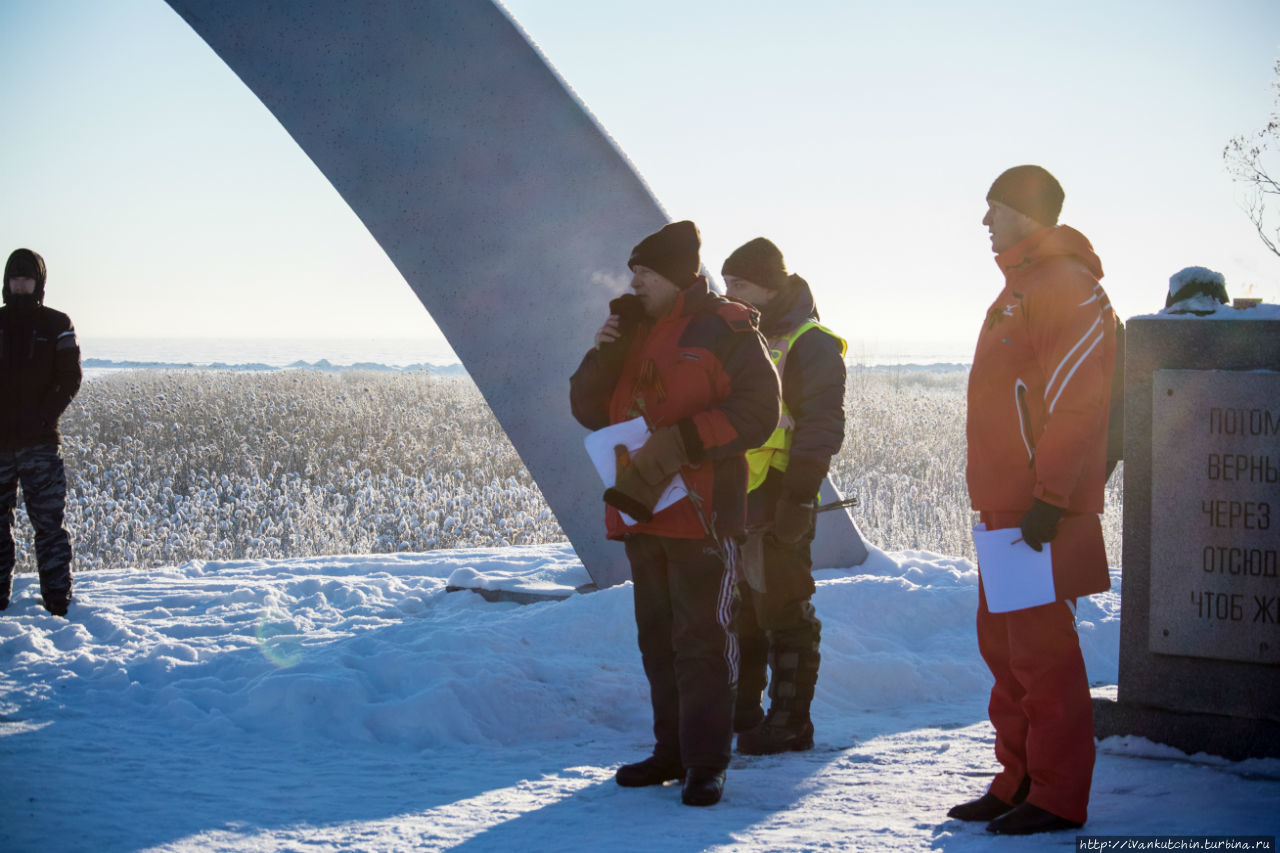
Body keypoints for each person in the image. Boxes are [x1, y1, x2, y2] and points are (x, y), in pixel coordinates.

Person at [570, 220, 779, 807]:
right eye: (632, 271)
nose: (634, 282)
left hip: (702, 514)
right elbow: (587, 410)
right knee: (657, 640)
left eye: (645, 273)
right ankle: (671, 752)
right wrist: (603, 352)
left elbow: (760, 410)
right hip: (643, 513)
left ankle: (707, 763)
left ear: (676, 276)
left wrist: (683, 441)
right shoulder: (632, 329)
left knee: (704, 641)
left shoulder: (725, 326)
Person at [948, 166, 1117, 835]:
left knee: (1043, 653)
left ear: (1025, 211)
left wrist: (1050, 495)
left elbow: (1080, 400)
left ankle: (1057, 794)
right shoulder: (1020, 284)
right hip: (1007, 505)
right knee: (1007, 648)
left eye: (994, 208)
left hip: (1036, 508)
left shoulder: (1066, 285)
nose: (985, 221)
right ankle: (1018, 777)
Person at [719, 238, 846, 755]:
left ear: (772, 287)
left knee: (785, 611)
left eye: (742, 285)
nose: (731, 294)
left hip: (781, 496)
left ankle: (792, 723)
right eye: (726, 284)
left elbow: (822, 425)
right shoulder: (738, 335)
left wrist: (798, 495)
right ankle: (744, 714)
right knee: (742, 611)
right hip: (737, 497)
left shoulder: (809, 342)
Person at [0, 248, 82, 616]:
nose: (20, 286)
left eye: (26, 279)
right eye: (14, 279)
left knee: (49, 526)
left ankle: (58, 603)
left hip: (41, 445)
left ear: (38, 282)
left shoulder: (56, 323)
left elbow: (70, 377)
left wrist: (44, 418)